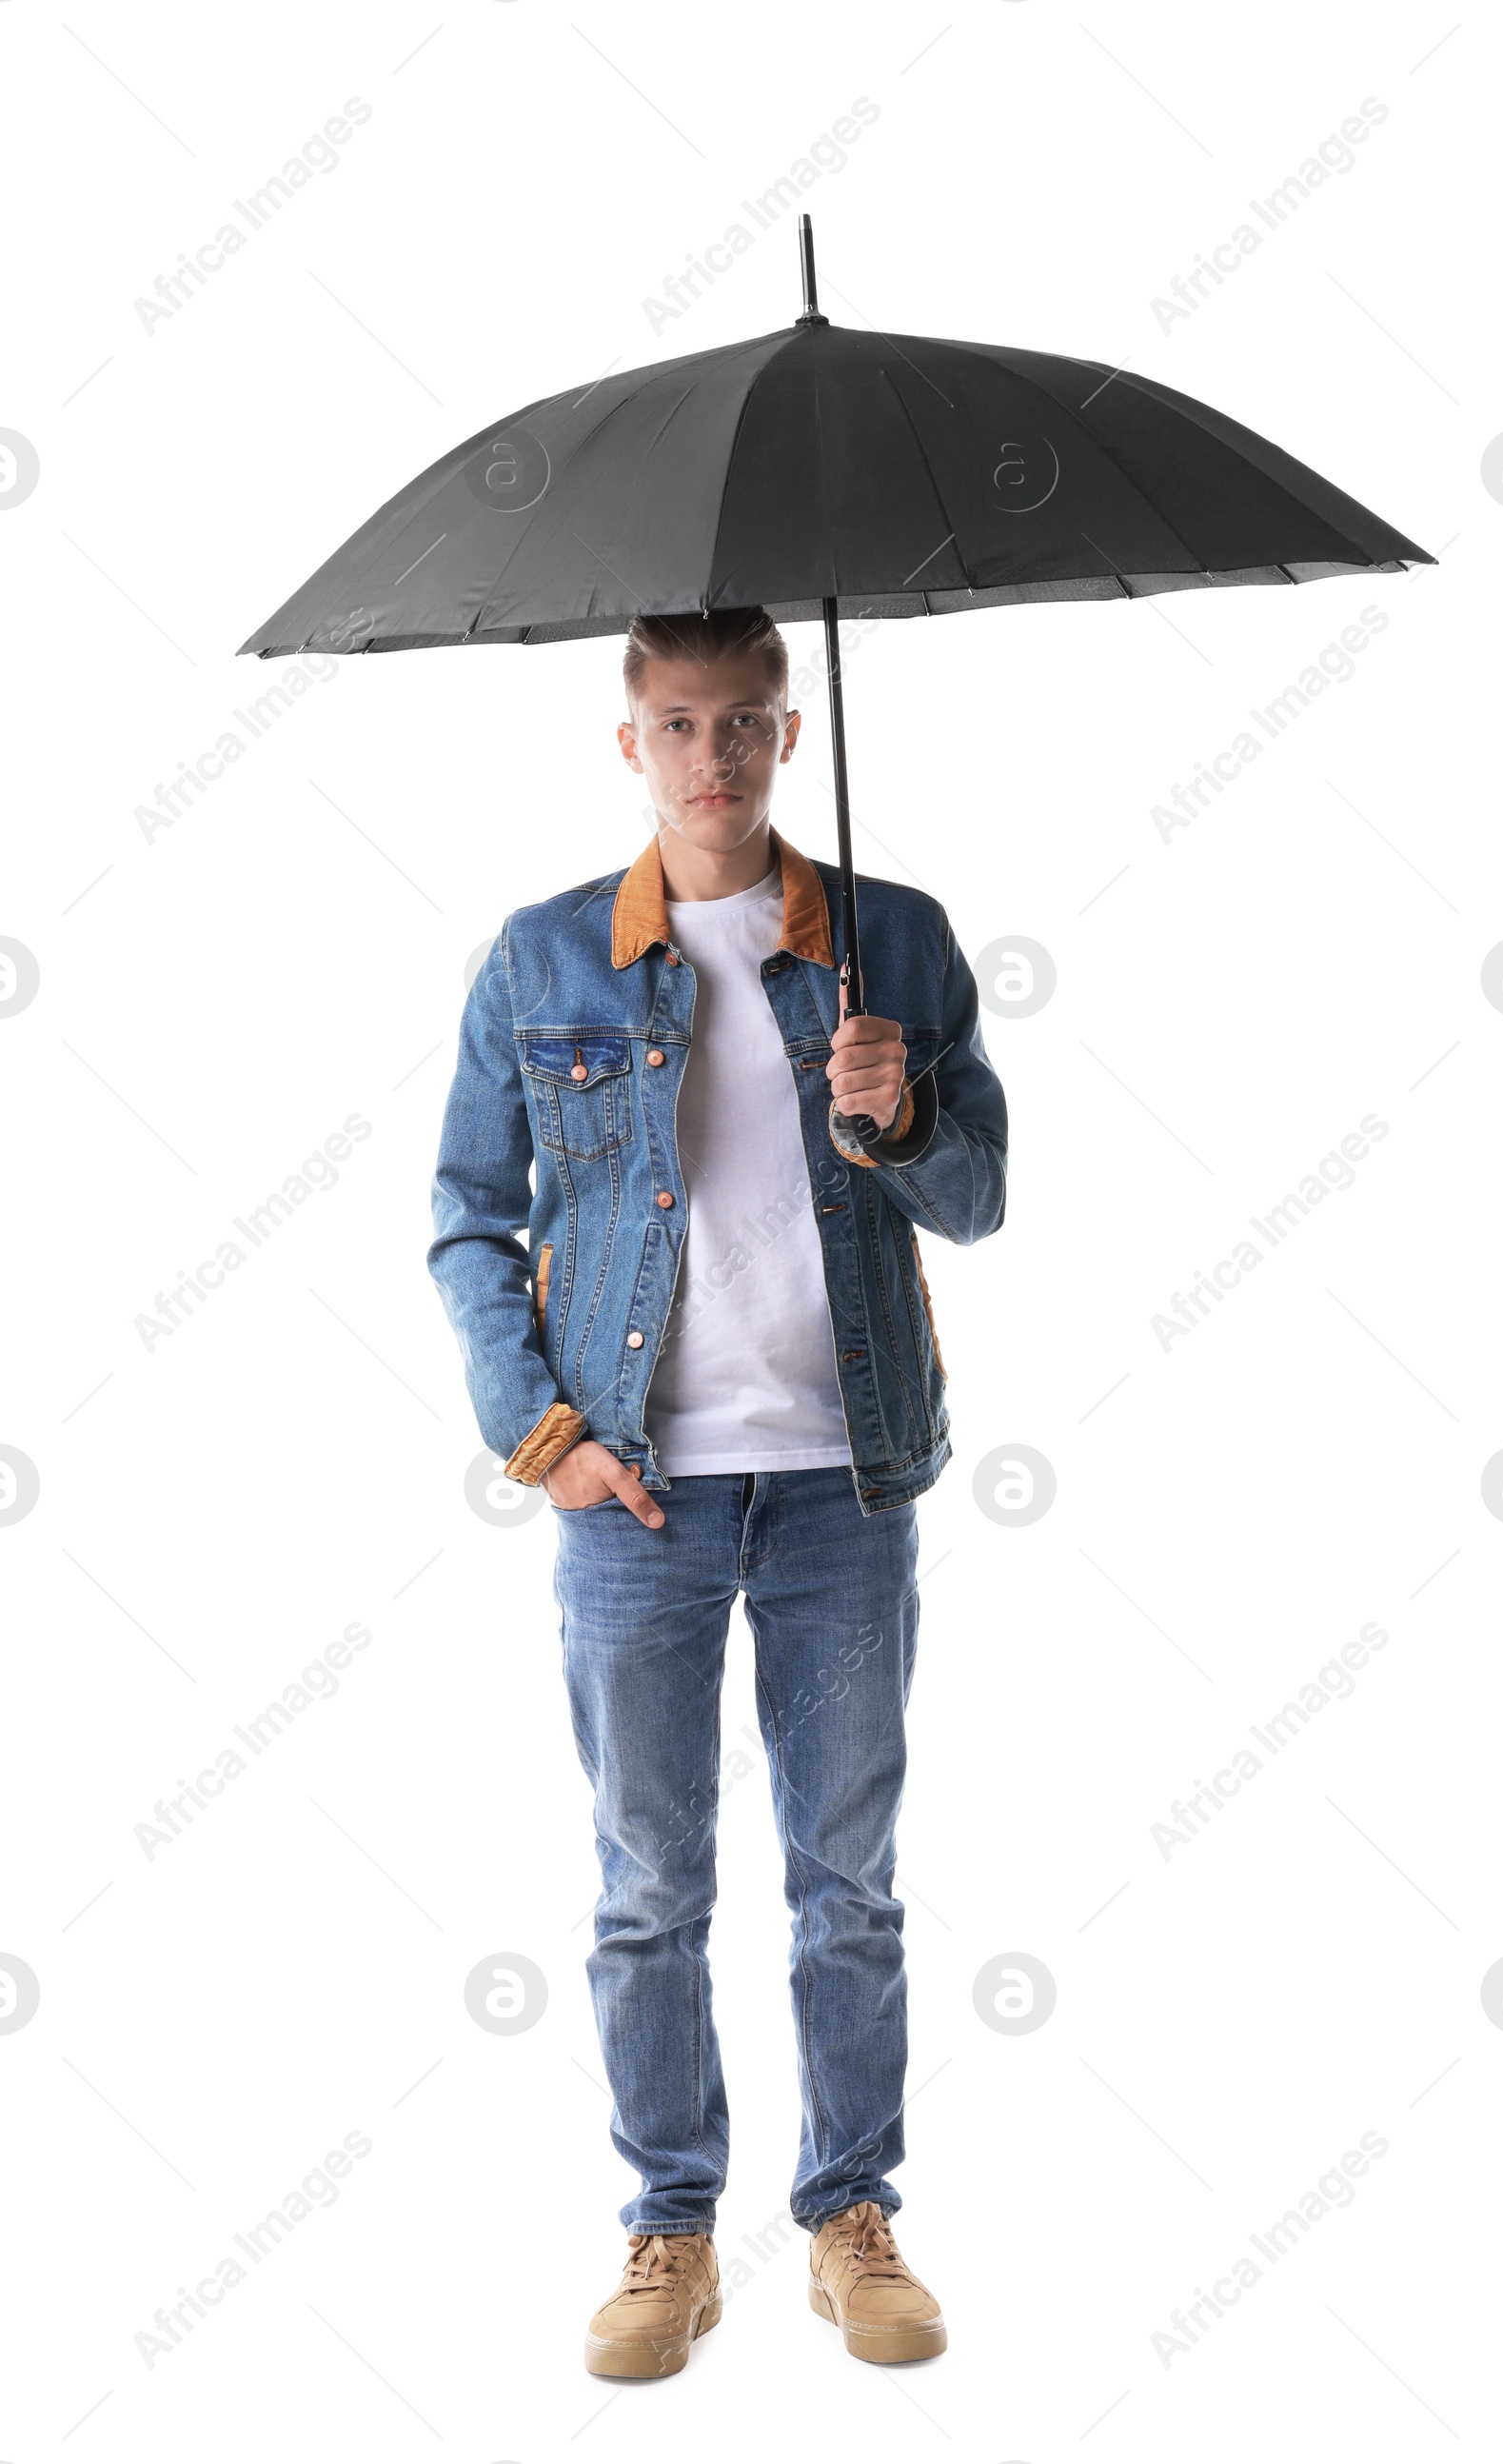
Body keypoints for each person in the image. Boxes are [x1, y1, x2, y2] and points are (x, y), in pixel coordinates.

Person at [428, 606, 1006, 2376]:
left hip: (847, 1484)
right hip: (639, 1501)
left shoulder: (890, 940)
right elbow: (469, 1218)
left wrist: (899, 1119)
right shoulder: (544, 961)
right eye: (680, 725)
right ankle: (671, 2229)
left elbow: (980, 1201)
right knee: (646, 1883)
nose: (714, 760)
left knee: (849, 1877)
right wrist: (551, 1441)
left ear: (790, 732)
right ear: (631, 743)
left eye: (748, 722)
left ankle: (849, 2215)